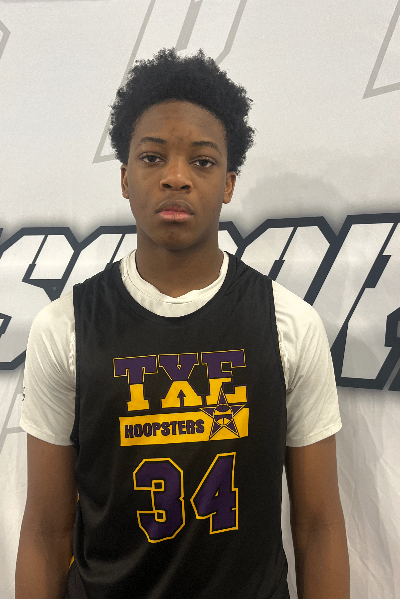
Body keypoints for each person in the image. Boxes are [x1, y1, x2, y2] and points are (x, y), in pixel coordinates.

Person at [15, 48, 350, 599]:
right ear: (125, 178)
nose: (176, 178)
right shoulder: (65, 327)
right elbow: (45, 532)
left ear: (229, 183)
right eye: (152, 157)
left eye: (202, 161)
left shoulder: (288, 324)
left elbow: (319, 527)